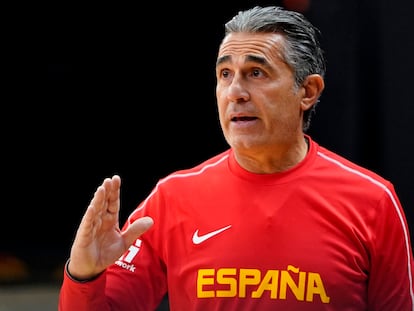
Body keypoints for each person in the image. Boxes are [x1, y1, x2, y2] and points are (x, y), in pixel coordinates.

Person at [58, 5, 414, 310]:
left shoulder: (373, 201)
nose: (235, 92)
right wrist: (84, 274)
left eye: (256, 73)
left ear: (308, 91)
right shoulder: (172, 198)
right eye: (225, 74)